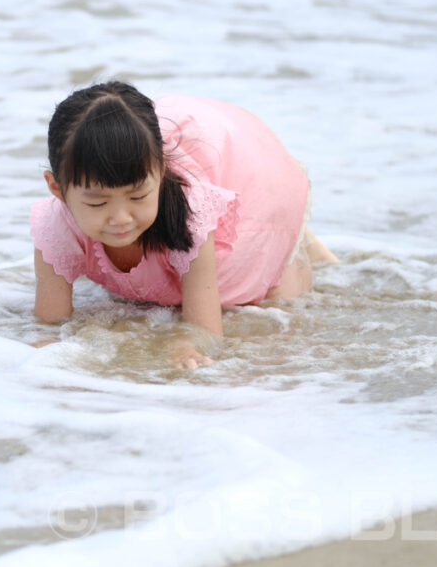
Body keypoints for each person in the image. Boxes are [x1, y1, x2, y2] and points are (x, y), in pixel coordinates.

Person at [30, 81, 337, 368]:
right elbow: (50, 326)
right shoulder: (54, 229)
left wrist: (186, 346)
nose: (121, 218)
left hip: (257, 188)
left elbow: (206, 328)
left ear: (161, 173)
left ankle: (297, 243)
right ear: (56, 188)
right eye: (98, 203)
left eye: (137, 196)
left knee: (271, 304)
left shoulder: (190, 212)